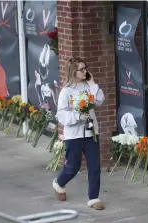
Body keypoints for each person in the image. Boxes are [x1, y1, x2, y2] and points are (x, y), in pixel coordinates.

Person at [52, 57, 105, 210]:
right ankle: (59, 183)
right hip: (74, 134)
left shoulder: (89, 86)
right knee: (73, 166)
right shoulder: (66, 91)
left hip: (91, 132)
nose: (85, 71)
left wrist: (93, 84)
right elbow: (61, 115)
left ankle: (94, 198)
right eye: (81, 69)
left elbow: (100, 100)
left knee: (94, 166)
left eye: (85, 68)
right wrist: (77, 116)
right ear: (73, 72)